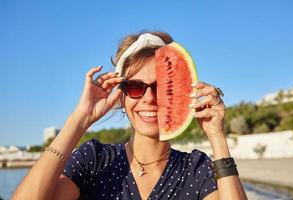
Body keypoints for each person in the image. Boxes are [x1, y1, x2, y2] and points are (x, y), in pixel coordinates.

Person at [12, 31, 248, 200]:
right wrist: (80, 120)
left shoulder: (196, 169)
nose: (149, 98)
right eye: (135, 86)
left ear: (179, 94)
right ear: (122, 96)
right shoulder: (94, 160)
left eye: (161, 87)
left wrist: (217, 137)